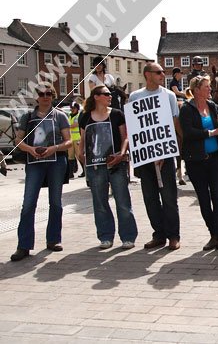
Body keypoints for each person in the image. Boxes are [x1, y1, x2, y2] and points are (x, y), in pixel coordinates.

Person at [10, 81, 72, 261]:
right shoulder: (28, 116)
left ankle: (53, 239)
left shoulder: (60, 116)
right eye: (42, 94)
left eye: (49, 94)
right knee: (28, 204)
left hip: (55, 162)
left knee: (56, 202)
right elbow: (18, 140)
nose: (45, 97)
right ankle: (24, 245)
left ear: (53, 96)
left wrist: (53, 148)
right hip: (34, 162)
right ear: (36, 96)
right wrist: (30, 150)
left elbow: (69, 141)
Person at [128, 62, 182, 250]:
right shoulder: (135, 96)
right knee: (150, 198)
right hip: (144, 156)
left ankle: (174, 235)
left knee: (169, 197)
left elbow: (174, 123)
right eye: (159, 72)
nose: (162, 74)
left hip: (165, 155)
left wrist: (172, 150)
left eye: (163, 72)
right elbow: (134, 126)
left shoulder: (169, 96)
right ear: (147, 75)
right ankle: (158, 234)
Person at [78, 85, 138, 250]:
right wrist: (80, 155)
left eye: (110, 94)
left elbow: (125, 137)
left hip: (117, 163)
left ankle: (128, 236)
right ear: (96, 96)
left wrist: (122, 153)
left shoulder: (117, 114)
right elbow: (83, 141)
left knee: (123, 201)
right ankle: (105, 236)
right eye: (106, 94)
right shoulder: (85, 117)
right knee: (100, 202)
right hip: (95, 166)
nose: (109, 96)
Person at [179, 75, 218, 251]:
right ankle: (213, 234)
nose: (210, 89)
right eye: (206, 87)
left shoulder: (213, 106)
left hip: (214, 159)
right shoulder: (186, 109)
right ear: (197, 90)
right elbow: (189, 132)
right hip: (196, 161)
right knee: (204, 200)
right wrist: (211, 132)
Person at [169, 67, 187, 185]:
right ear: (176, 74)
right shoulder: (173, 83)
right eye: (180, 73)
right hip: (175, 101)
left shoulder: (178, 82)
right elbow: (176, 93)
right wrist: (186, 94)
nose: (181, 75)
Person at [67, 102, 85, 178]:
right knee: (70, 156)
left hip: (78, 138)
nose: (72, 109)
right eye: (71, 108)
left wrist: (68, 126)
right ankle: (71, 173)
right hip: (71, 139)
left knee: (79, 156)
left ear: (77, 109)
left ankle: (84, 171)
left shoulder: (78, 116)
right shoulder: (69, 116)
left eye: (73, 108)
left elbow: (75, 125)